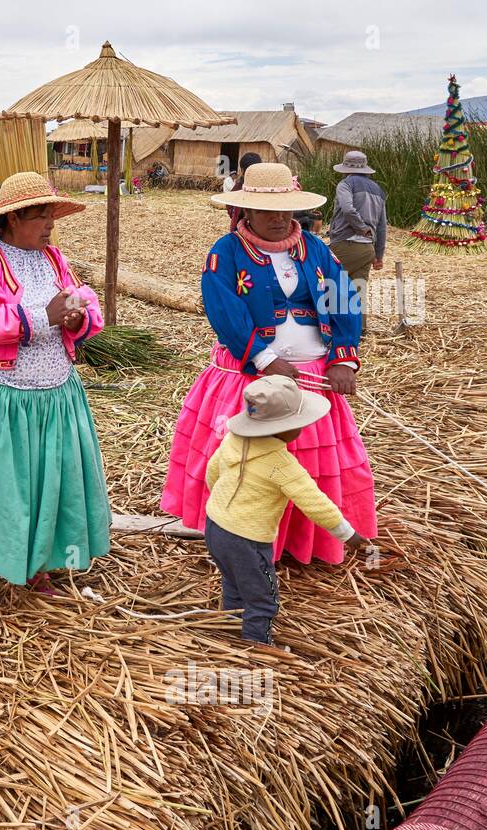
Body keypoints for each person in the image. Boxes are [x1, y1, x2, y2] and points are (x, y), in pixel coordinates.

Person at [162, 161, 377, 566]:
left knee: (308, 468)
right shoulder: (225, 253)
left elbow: (343, 297)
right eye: (267, 212)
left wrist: (344, 358)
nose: (279, 220)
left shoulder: (314, 248)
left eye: (286, 210)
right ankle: (244, 541)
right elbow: (223, 308)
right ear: (246, 212)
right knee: (249, 464)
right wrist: (264, 359)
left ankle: (305, 540)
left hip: (314, 377)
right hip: (251, 377)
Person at [0, 172, 111, 615]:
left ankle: (36, 562)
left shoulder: (54, 259)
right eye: (40, 216)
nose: (49, 224)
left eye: (51, 215)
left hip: (53, 395)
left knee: (42, 480)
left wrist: (75, 318)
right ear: (11, 219)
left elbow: (83, 299)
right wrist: (45, 314)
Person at [204, 376, 369, 645]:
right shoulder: (281, 464)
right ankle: (256, 647)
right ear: (284, 428)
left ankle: (229, 630)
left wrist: (224, 508)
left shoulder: (234, 439)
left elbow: (213, 473)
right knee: (263, 599)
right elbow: (315, 502)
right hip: (247, 541)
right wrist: (349, 535)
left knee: (234, 584)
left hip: (214, 527)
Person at [328, 150, 387, 319]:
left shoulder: (346, 185)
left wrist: (361, 227)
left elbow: (347, 209)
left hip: (346, 244)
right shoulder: (378, 190)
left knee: (328, 283)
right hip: (367, 249)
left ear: (346, 169)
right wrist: (379, 255)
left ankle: (329, 328)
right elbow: (382, 226)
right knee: (358, 291)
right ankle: (360, 331)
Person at [225, 152, 262, 232]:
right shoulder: (266, 186)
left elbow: (230, 207)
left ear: (242, 170)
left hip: (241, 229)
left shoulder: (239, 186)